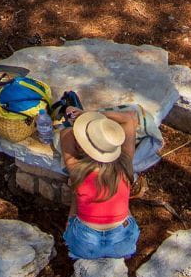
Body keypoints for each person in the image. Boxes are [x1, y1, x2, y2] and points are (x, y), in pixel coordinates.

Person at [60, 108, 140, 266]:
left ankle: (78, 251)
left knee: (76, 204)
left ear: (84, 145)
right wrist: (97, 113)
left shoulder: (77, 169)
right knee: (124, 209)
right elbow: (128, 120)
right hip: (122, 240)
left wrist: (84, 117)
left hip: (85, 242)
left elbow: (65, 134)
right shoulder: (125, 164)